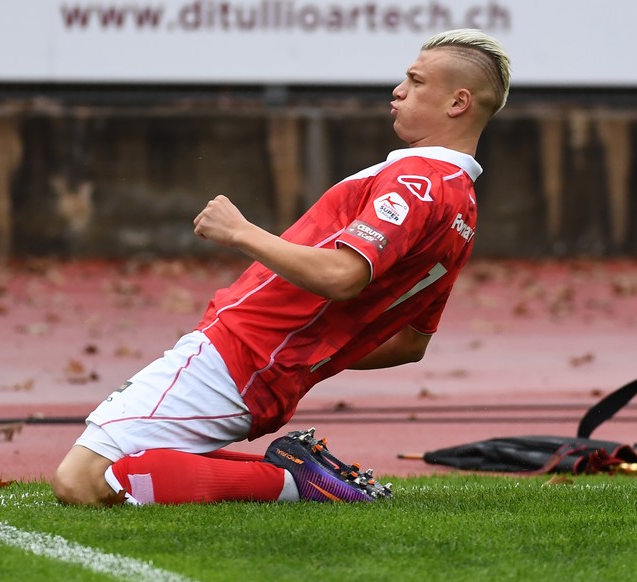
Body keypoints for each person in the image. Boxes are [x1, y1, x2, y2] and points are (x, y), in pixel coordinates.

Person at [52, 28, 512, 506]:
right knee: (126, 466)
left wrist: (241, 232)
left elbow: (343, 276)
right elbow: (410, 343)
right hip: (267, 369)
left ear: (458, 103)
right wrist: (304, 358)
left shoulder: (417, 179)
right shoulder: (462, 210)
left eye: (416, 81)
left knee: (82, 481)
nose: (399, 91)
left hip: (239, 351)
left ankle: (295, 483)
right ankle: (300, 472)